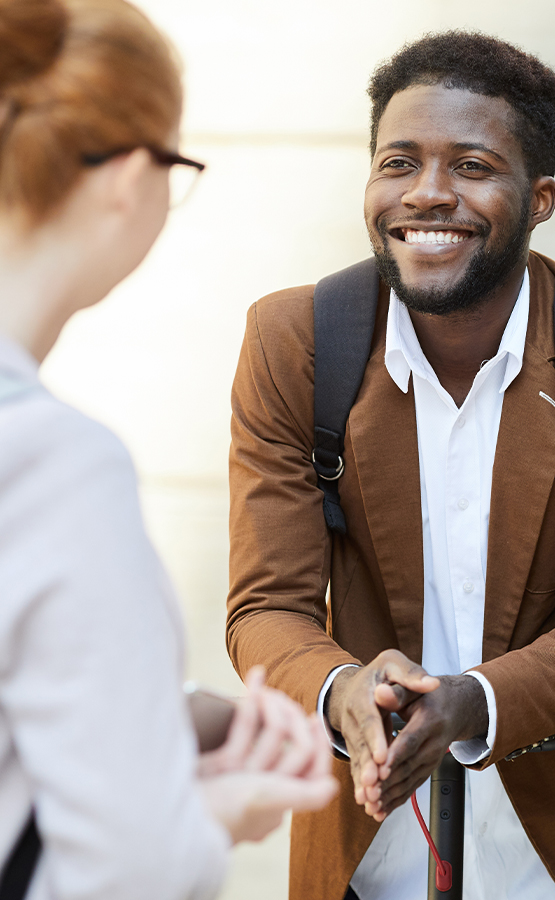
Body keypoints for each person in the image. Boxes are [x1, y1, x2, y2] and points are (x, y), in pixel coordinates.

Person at [227, 30, 555, 900]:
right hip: (369, 839)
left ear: (539, 197)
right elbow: (266, 607)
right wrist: (341, 689)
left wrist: (470, 703)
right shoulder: (294, 341)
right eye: (399, 163)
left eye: (473, 166)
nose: (427, 193)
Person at [0, 1, 336, 898]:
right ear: (126, 175)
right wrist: (216, 818)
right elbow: (123, 875)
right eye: (178, 167)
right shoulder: (56, 466)